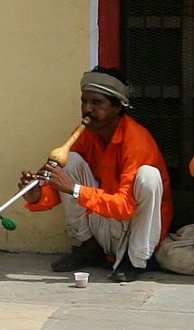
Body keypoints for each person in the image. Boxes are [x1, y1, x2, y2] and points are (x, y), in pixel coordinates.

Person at [19, 66, 173, 282]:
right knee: (69, 161)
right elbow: (62, 187)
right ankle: (90, 247)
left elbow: (126, 207)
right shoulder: (85, 134)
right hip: (104, 223)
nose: (87, 109)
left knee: (148, 176)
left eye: (96, 103)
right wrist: (37, 196)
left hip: (133, 228)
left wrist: (74, 189)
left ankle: (136, 261)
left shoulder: (137, 141)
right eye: (84, 101)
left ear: (118, 106)